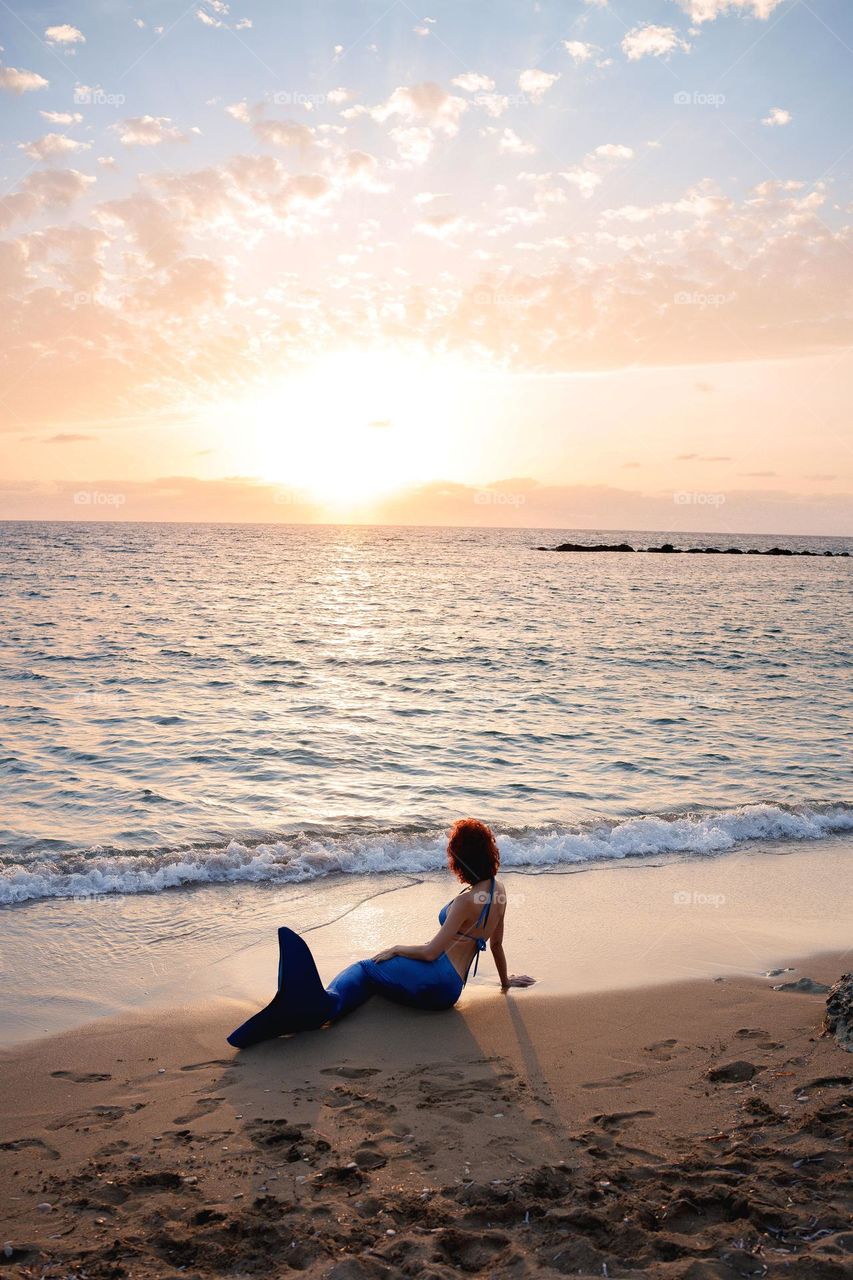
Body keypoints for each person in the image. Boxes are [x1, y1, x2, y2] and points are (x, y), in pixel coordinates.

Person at [227, 818, 535, 1048]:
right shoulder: (499, 892)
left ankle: (320, 1006)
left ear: (461, 858)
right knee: (377, 981)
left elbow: (431, 953)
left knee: (366, 968)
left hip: (436, 979)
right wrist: (506, 982)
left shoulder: (465, 901)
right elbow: (496, 944)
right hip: (452, 990)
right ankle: (327, 1003)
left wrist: (398, 948)